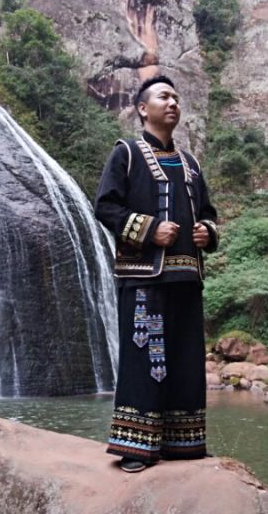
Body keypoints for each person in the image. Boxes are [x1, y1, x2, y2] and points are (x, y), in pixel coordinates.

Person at [94, 75, 219, 473]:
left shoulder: (191, 163)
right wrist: (150, 231)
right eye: (164, 96)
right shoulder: (127, 154)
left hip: (187, 279)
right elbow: (105, 207)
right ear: (143, 109)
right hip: (144, 278)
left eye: (177, 98)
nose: (173, 103)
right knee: (144, 358)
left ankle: (185, 445)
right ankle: (136, 448)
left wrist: (207, 232)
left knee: (186, 361)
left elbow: (209, 212)